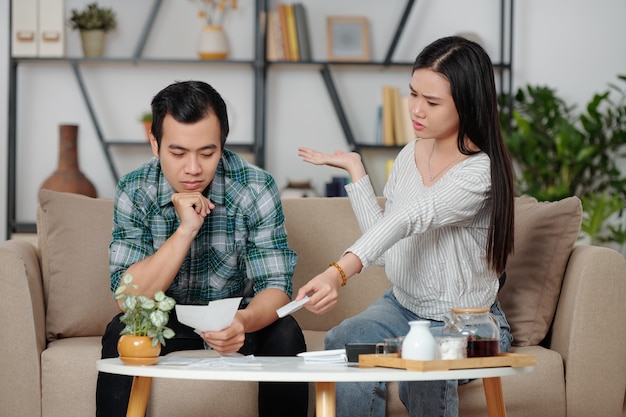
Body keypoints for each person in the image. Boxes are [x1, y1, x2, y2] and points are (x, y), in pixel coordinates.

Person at [295, 36, 516, 417]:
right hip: (402, 307)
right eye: (413, 94)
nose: (416, 110)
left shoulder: (480, 173)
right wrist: (356, 171)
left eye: (431, 102)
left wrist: (337, 273)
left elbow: (407, 218)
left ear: (467, 104)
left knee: (424, 365)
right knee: (345, 340)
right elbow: (384, 248)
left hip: (466, 321)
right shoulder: (409, 154)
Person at [96, 80, 308, 417]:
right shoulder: (135, 189)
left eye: (207, 153)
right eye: (178, 153)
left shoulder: (255, 186)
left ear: (222, 145)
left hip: (238, 320)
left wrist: (244, 321)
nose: (193, 168)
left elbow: (276, 287)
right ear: (155, 143)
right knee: (120, 330)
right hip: (163, 321)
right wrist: (185, 231)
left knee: (285, 331)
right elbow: (129, 298)